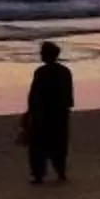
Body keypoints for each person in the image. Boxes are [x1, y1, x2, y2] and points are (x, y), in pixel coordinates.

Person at [23, 41, 73, 184]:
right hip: (60, 112)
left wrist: (29, 112)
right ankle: (61, 171)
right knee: (59, 142)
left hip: (43, 112)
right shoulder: (65, 71)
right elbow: (68, 96)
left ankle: (38, 174)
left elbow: (34, 94)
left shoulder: (41, 72)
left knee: (38, 144)